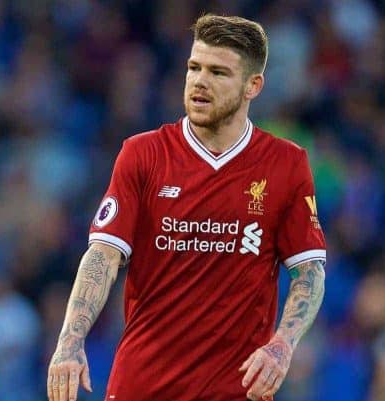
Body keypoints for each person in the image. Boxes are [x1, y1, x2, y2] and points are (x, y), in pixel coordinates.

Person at [47, 14, 326, 401]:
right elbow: (104, 255)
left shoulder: (285, 164)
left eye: (218, 72)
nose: (199, 81)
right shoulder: (143, 154)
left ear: (253, 86)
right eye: (193, 67)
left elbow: (310, 270)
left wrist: (283, 345)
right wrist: (70, 340)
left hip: (234, 390)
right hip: (143, 385)